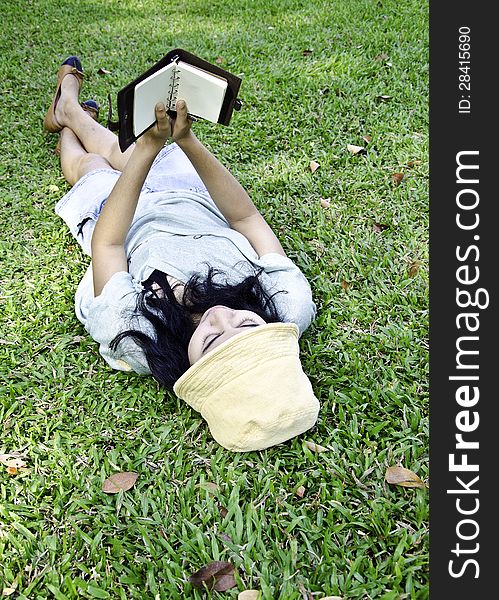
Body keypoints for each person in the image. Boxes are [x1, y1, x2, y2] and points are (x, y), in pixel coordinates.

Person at [44, 56, 320, 451]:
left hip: (121, 220)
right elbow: (246, 218)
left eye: (210, 341)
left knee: (90, 164)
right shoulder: (287, 305)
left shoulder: (139, 337)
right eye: (246, 326)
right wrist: (186, 141)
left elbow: (109, 245)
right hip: (190, 198)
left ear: (190, 367)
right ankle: (70, 111)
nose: (220, 317)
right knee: (114, 146)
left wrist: (147, 151)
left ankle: (68, 113)